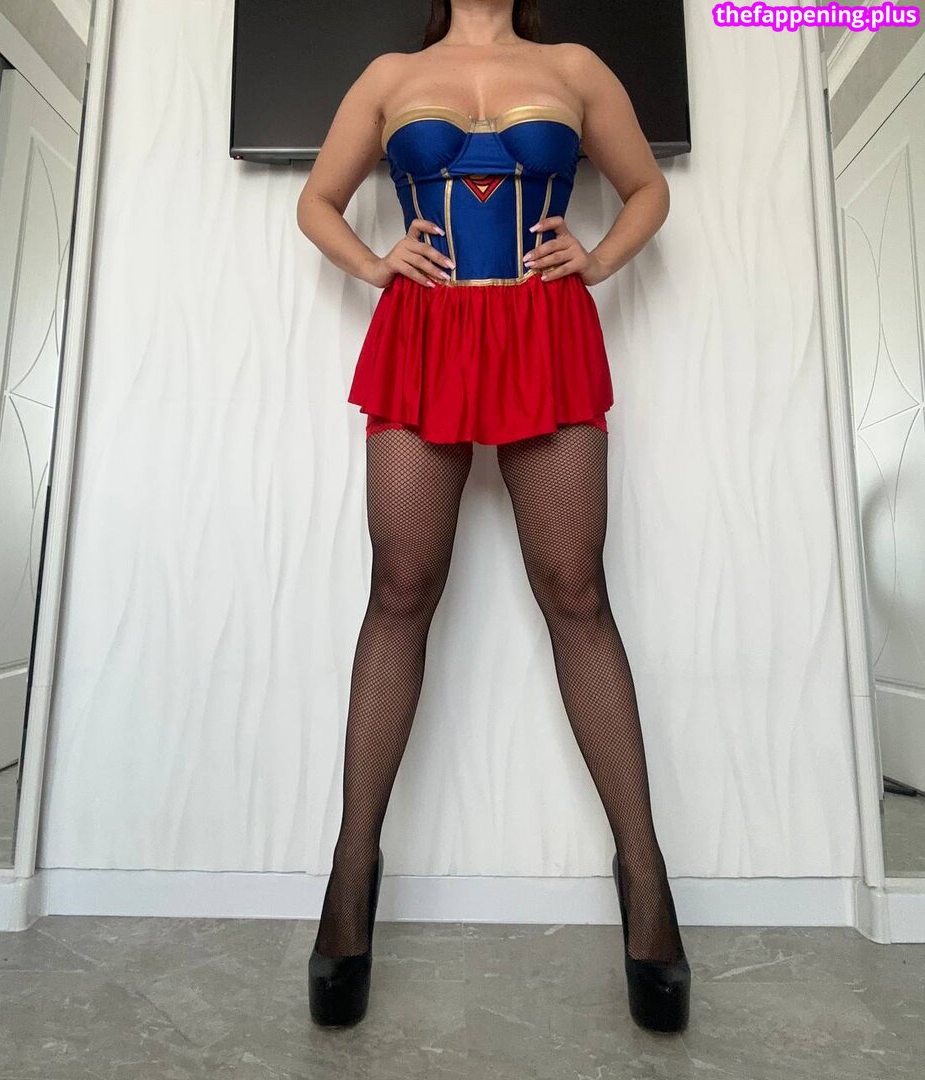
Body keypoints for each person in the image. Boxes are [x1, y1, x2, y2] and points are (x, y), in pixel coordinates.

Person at [296, 0, 690, 1034]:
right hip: (423, 333)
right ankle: (351, 873)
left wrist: (597, 258)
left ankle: (646, 880)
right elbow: (317, 202)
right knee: (399, 591)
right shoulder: (390, 75)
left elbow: (647, 189)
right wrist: (375, 264)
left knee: (576, 593)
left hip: (544, 330)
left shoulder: (574, 66)